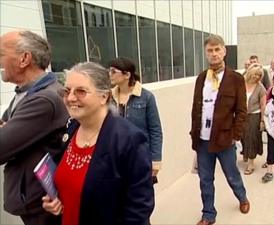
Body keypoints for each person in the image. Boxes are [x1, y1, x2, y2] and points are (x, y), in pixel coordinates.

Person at [42, 62, 154, 225]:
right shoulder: (72, 127)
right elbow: (68, 182)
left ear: (104, 97)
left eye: (80, 91)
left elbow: (139, 208)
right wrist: (56, 199)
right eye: (67, 91)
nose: (71, 98)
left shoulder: (129, 140)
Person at [0, 30, 68, 225]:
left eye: (1, 54)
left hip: (42, 205)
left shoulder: (44, 100)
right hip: (35, 198)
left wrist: (8, 130)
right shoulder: (28, 93)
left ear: (24, 59)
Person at [190, 35, 249, 225]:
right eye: (210, 50)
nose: (214, 54)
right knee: (205, 179)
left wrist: (235, 136)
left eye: (217, 50)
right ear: (206, 53)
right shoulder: (201, 78)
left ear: (224, 51)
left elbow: (241, 111)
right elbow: (196, 108)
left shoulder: (236, 79)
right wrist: (194, 134)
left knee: (232, 175)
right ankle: (208, 214)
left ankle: (242, 197)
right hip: (203, 140)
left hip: (225, 139)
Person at [108, 57, 163, 183]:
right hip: (116, 156)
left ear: (127, 74)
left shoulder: (146, 97)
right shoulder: (109, 97)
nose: (110, 75)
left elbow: (155, 130)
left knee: (142, 196)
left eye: (113, 71)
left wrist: (155, 161)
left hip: (140, 156)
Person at [241, 63, 266, 175]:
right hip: (241, 115)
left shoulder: (260, 88)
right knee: (242, 136)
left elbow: (263, 105)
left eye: (259, 75)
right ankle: (246, 153)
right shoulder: (241, 83)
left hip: (254, 116)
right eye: (255, 74)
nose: (256, 76)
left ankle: (251, 163)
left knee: (251, 138)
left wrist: (262, 120)